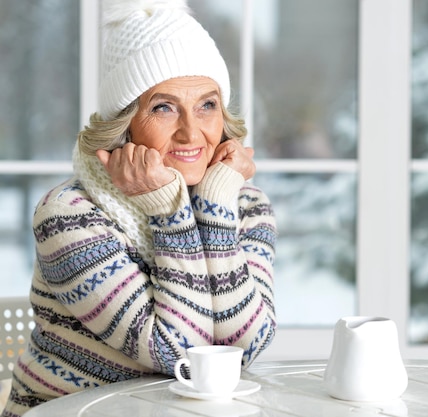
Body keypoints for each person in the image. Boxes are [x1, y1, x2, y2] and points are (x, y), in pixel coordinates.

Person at [2, 1, 277, 416]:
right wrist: (169, 212)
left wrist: (216, 204)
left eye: (207, 105)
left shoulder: (244, 204)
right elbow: (180, 355)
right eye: (163, 107)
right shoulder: (67, 215)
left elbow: (245, 348)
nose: (191, 131)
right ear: (125, 124)